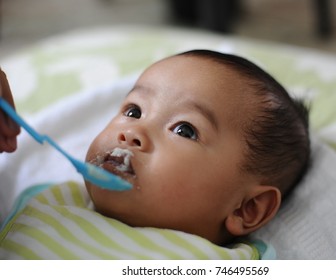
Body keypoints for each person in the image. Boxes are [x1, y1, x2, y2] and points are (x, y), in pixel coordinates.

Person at [0, 50, 310, 259]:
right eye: (133, 111)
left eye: (184, 130)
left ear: (247, 208)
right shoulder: (54, 204)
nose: (132, 132)